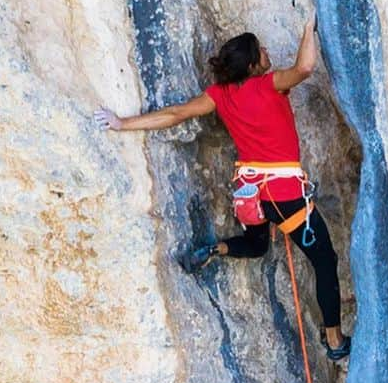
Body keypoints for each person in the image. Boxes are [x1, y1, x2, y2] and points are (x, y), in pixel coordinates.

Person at [96, 19, 350, 361]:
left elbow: (176, 113)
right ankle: (334, 341)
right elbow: (305, 67)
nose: (266, 52)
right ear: (252, 64)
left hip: (249, 194)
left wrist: (122, 122)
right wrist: (308, 28)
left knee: (259, 244)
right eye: (260, 50)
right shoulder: (268, 85)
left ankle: (216, 248)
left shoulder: (220, 95)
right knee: (324, 260)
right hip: (284, 195)